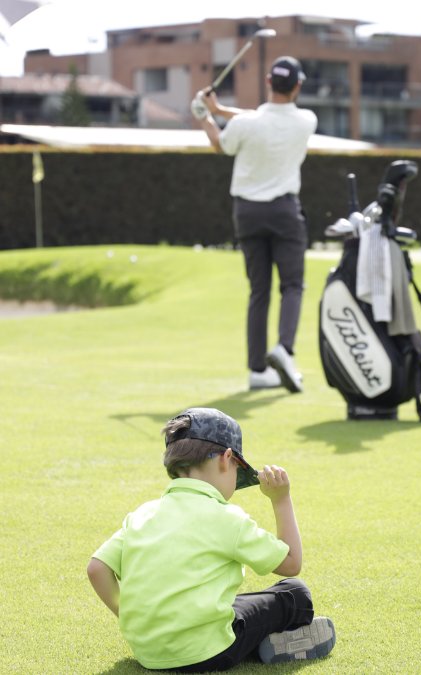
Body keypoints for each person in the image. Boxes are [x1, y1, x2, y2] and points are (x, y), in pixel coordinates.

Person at [86, 407, 336, 670]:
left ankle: (253, 643)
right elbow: (291, 562)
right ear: (226, 459)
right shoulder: (225, 517)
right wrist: (281, 499)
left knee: (234, 604)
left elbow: (97, 568)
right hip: (210, 651)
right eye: (237, 474)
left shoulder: (142, 513)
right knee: (295, 594)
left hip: (149, 653)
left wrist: (129, 618)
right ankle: (264, 643)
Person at [194, 56, 317, 393]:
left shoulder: (248, 124)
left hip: (247, 212)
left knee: (258, 291)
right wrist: (219, 110)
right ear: (298, 86)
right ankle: (284, 349)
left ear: (267, 81)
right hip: (284, 212)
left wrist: (206, 116)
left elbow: (221, 143)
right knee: (292, 285)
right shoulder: (307, 120)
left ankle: (258, 371)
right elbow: (261, 119)